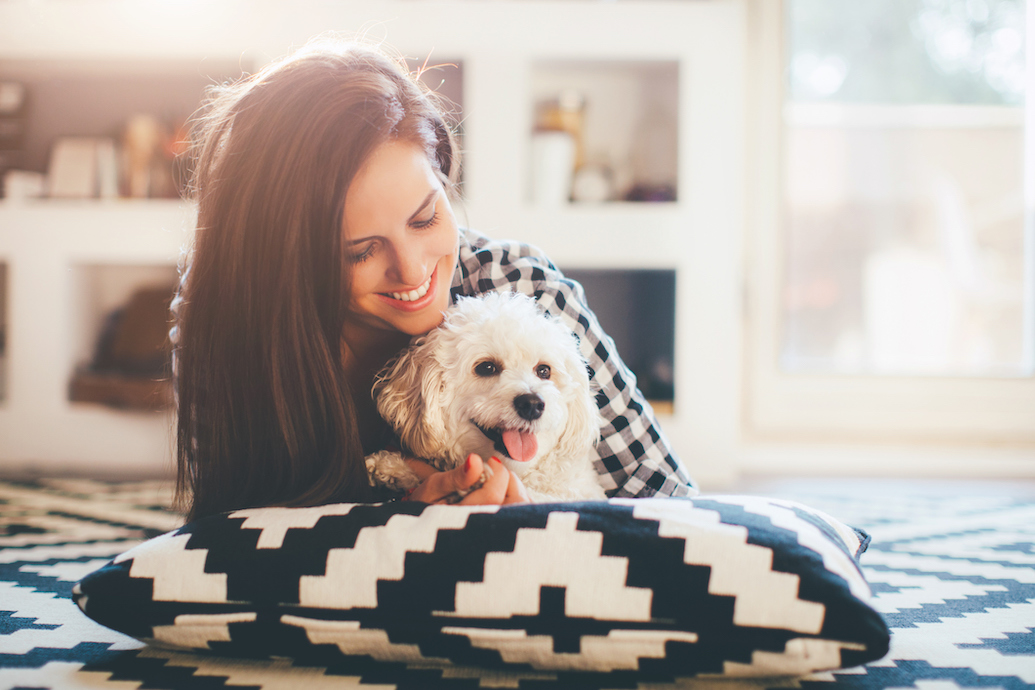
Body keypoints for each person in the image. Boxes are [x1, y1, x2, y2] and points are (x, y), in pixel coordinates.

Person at [171, 37, 696, 523]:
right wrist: (394, 521)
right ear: (287, 261)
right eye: (360, 251)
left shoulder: (522, 287)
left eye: (425, 218)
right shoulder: (228, 317)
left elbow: (675, 507)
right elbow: (231, 533)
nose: (414, 269)